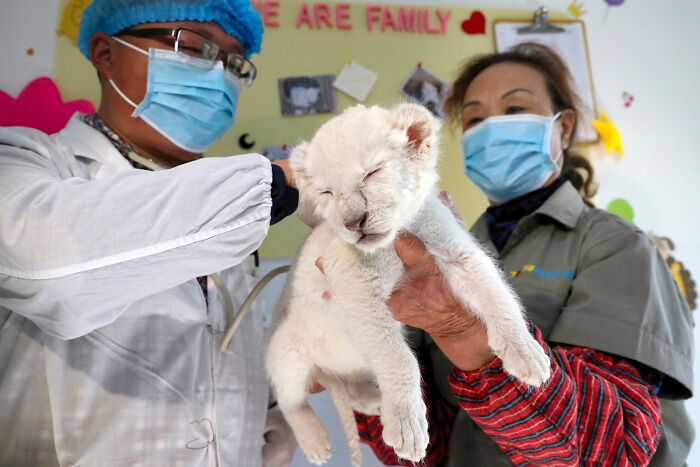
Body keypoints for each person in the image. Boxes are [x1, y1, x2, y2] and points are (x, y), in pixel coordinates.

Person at [353, 43, 695, 466]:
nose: (492, 127)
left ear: (564, 127)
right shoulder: (436, 255)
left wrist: (461, 328)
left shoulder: (614, 246)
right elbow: (428, 449)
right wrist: (358, 370)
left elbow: (611, 450)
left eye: (514, 110)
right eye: (475, 118)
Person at [0, 1, 299, 465]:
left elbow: (222, 337)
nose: (219, 74)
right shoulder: (23, 162)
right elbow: (51, 268)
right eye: (194, 46)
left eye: (233, 61)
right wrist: (284, 181)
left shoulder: (223, 195)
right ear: (105, 52)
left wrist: (269, 404)